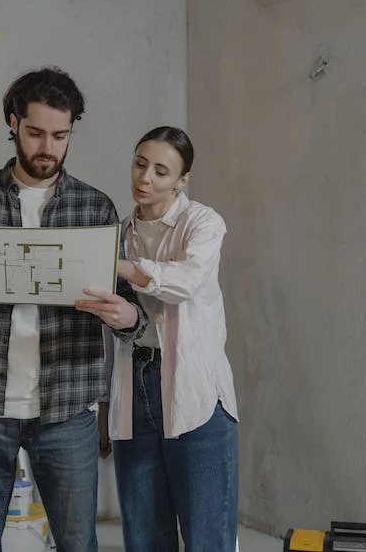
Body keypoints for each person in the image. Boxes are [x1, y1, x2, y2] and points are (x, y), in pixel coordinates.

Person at [0, 66, 147, 552]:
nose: (48, 147)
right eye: (36, 132)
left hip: (67, 406)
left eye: (61, 136)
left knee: (78, 543)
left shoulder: (95, 208)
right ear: (13, 123)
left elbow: (133, 314)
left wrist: (126, 318)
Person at [76, 126, 239, 552]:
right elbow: (108, 328)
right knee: (144, 536)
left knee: (208, 538)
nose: (145, 178)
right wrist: (105, 406)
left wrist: (121, 266)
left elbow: (183, 283)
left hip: (196, 394)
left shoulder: (203, 223)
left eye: (161, 172)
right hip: (133, 390)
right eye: (140, 164)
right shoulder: (119, 233)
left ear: (182, 180)